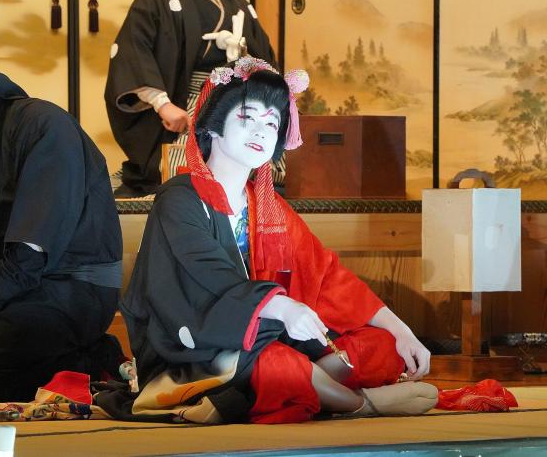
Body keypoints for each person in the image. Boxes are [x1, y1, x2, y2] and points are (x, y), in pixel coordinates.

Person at [108, 57, 438, 424]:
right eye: (246, 118)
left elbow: (326, 275)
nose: (261, 132)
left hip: (267, 335)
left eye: (271, 123)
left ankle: (305, 386)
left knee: (383, 347)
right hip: (196, 346)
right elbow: (208, 274)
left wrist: (401, 330)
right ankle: (360, 404)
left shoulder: (266, 205)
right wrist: (280, 308)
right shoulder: (180, 198)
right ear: (213, 126)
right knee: (271, 360)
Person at [0, 37, 124, 406]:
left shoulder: (42, 124)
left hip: (68, 286)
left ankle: (93, 362)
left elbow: (32, 249)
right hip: (7, 278)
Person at [104, 0, 276, 197]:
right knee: (188, 172)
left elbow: (264, 62)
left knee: (263, 163)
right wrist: (163, 104)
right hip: (189, 102)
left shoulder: (240, 5)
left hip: (237, 103)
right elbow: (134, 51)